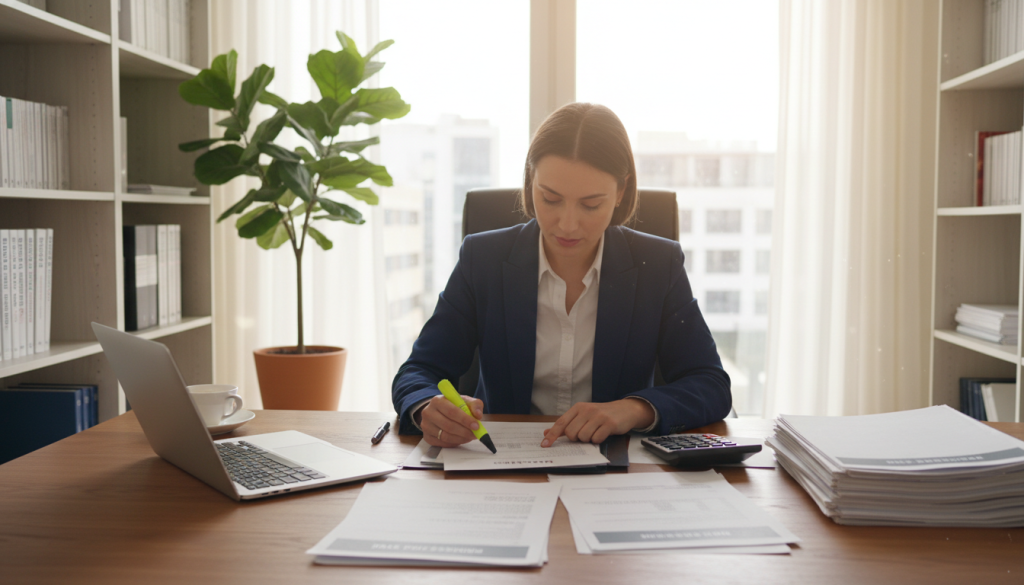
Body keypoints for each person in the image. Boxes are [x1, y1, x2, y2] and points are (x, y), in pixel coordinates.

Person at [392, 102, 731, 449]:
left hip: (614, 472)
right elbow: (417, 372)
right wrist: (425, 408)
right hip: (502, 465)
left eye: (590, 204)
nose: (568, 224)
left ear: (622, 191)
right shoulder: (484, 259)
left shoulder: (658, 264)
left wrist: (631, 410)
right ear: (530, 181)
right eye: (550, 198)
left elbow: (710, 384)